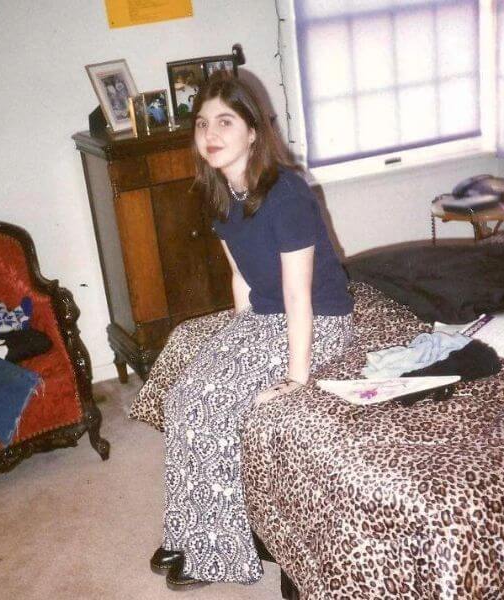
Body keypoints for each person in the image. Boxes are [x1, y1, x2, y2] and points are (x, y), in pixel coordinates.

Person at [149, 73, 355, 590]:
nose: (209, 134)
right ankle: (190, 530)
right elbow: (241, 275)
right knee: (184, 399)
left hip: (319, 321)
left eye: (225, 122)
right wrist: (235, 335)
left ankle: (215, 555)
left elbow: (297, 296)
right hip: (264, 317)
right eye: (202, 124)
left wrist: (296, 376)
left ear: (254, 133)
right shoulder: (218, 192)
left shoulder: (286, 194)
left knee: (212, 407)